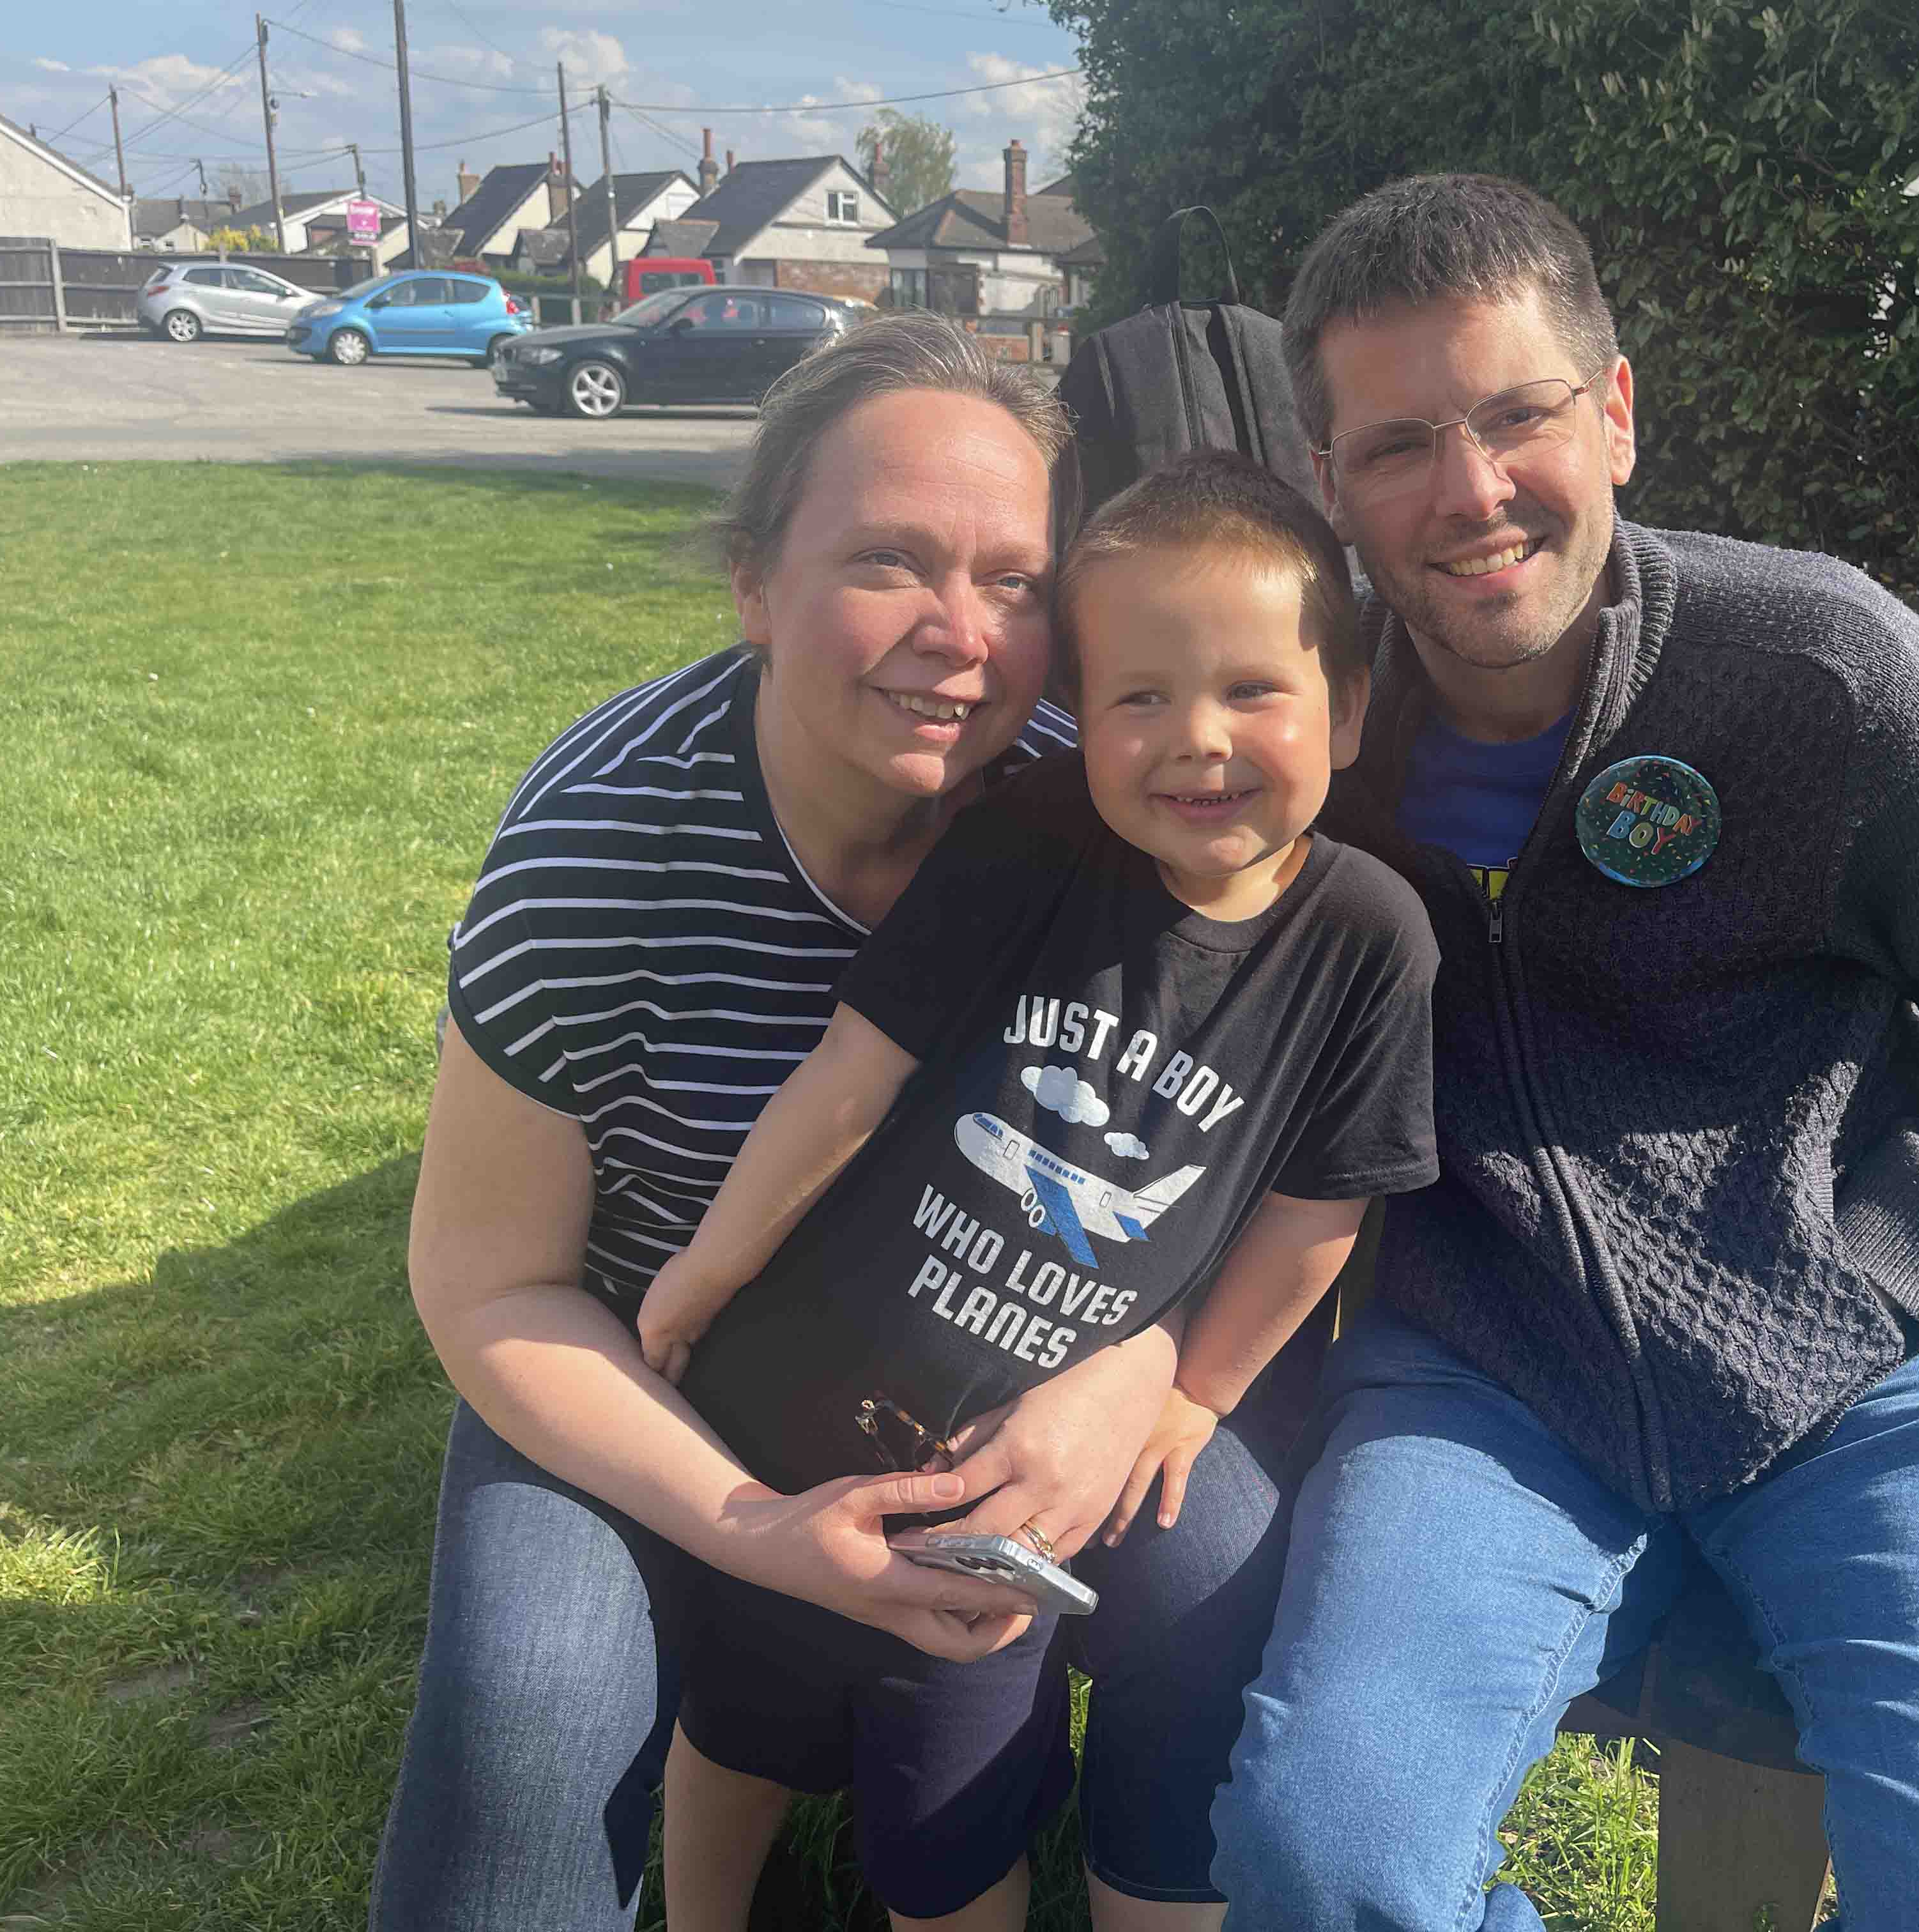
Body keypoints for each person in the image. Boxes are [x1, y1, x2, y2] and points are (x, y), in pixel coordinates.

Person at [1205, 174, 1919, 1931]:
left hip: (1879, 1370)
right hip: (1484, 1371)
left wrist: (1867, 1277)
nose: (1472, 492)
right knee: (1321, 1863)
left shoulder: (1827, 665)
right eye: (1400, 445)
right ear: (1331, 482)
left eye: (1520, 414)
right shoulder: (1289, 724)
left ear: (1620, 415)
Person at [374, 316, 1323, 1931]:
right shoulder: (598, 850)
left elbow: (1209, 1126)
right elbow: (487, 1282)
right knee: (528, 1714)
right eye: (889, 560)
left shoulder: (1103, 799)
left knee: (1219, 1543)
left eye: (1015, 581)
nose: (962, 635)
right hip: (647, 1363)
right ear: (754, 582)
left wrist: (1141, 1366)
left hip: (994, 1360)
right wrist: (756, 1531)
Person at [629, 449, 1437, 1932]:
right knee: (734, 1723)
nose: (1197, 741)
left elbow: (1319, 1214)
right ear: (1081, 709)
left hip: (1014, 1506)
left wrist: (1194, 1395)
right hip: (795, 1405)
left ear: (1349, 706)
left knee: (950, 1818)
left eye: (1253, 690)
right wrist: (711, 1268)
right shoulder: (1036, 835)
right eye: (1141, 697)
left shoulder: (1367, 942)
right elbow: (851, 1073)